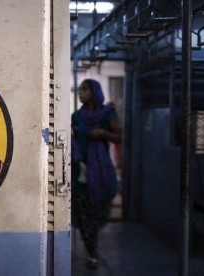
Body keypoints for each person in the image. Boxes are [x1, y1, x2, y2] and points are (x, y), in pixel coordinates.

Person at [71, 79, 121, 269]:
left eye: (85, 89)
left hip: (100, 171)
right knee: (82, 213)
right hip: (81, 171)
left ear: (94, 91)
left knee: (99, 212)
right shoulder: (76, 117)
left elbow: (119, 137)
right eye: (80, 89)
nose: (80, 92)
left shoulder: (108, 114)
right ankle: (92, 252)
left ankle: (92, 244)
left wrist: (102, 133)